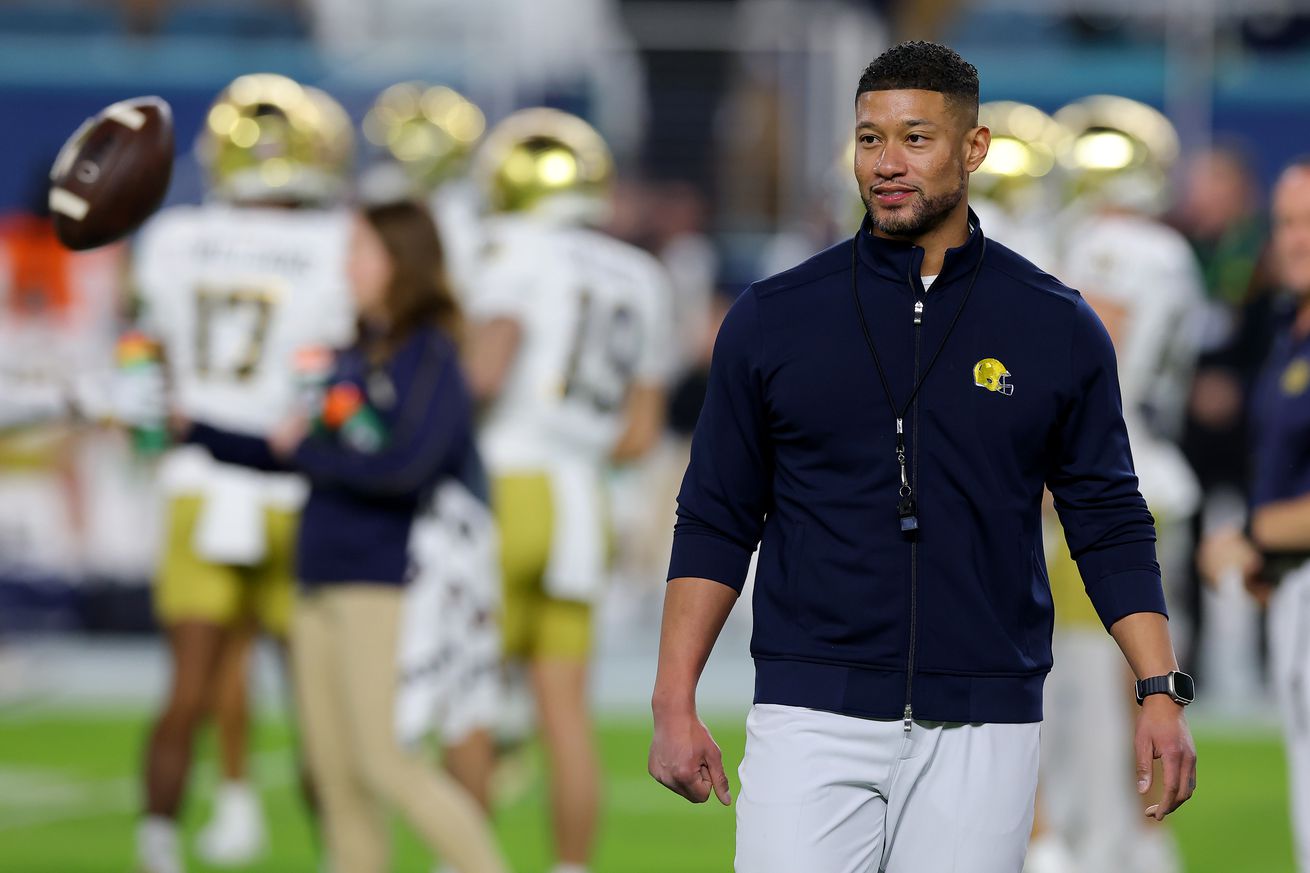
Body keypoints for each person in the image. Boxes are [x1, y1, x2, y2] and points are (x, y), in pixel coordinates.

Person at [647, 40, 1197, 873]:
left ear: (973, 149)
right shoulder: (773, 318)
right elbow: (716, 516)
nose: (887, 163)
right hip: (809, 713)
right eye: (870, 139)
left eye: (915, 137)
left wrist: (1158, 686)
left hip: (985, 723)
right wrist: (672, 696)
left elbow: (1110, 518)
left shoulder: (1056, 324)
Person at [181, 200, 509, 873]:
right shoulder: (351, 353)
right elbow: (289, 449)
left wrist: (308, 452)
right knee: (335, 780)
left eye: (362, 251)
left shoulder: (430, 356)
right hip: (319, 571)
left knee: (384, 762)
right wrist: (195, 430)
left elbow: (405, 467)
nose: (347, 265)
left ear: (401, 262)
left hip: (382, 577)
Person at [132, 74, 356, 873]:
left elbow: (141, 364)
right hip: (292, 487)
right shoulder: (335, 241)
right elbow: (340, 380)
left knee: (185, 688)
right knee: (319, 701)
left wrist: (152, 445)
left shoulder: (171, 238)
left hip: (197, 481)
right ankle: (341, 851)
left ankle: (155, 848)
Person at [464, 107, 676, 873]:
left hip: (505, 485)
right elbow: (640, 434)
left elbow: (485, 372)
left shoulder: (512, 248)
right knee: (565, 713)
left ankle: (466, 861)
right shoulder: (641, 274)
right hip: (582, 500)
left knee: (472, 704)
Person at [1199, 159, 1310, 873]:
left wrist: (1247, 538)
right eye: (1286, 221)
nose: (1292, 238)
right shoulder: (1287, 323)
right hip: (1293, 586)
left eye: (1308, 223)